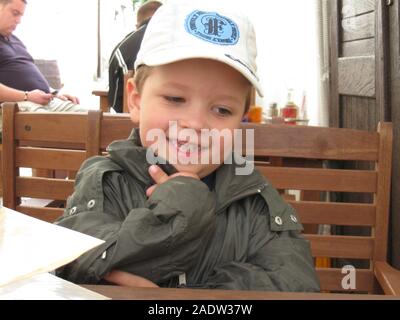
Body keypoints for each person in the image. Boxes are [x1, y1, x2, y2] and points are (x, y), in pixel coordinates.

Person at [56, 0, 320, 292]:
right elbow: (72, 256)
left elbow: (295, 283)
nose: (195, 123)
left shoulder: (252, 194)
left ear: (240, 121)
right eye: (175, 99)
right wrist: (183, 209)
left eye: (221, 110)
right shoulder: (106, 179)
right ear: (135, 100)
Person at [0, 0, 85, 111]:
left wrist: (54, 93)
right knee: (62, 124)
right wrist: (27, 96)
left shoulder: (16, 41)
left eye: (21, 15)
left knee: (96, 120)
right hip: (17, 105)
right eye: (15, 13)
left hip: (46, 101)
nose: (19, 21)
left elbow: (30, 77)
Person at [108, 1, 162, 113]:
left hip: (129, 117)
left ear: (137, 25)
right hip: (175, 123)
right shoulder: (179, 42)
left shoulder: (123, 47)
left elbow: (114, 100)